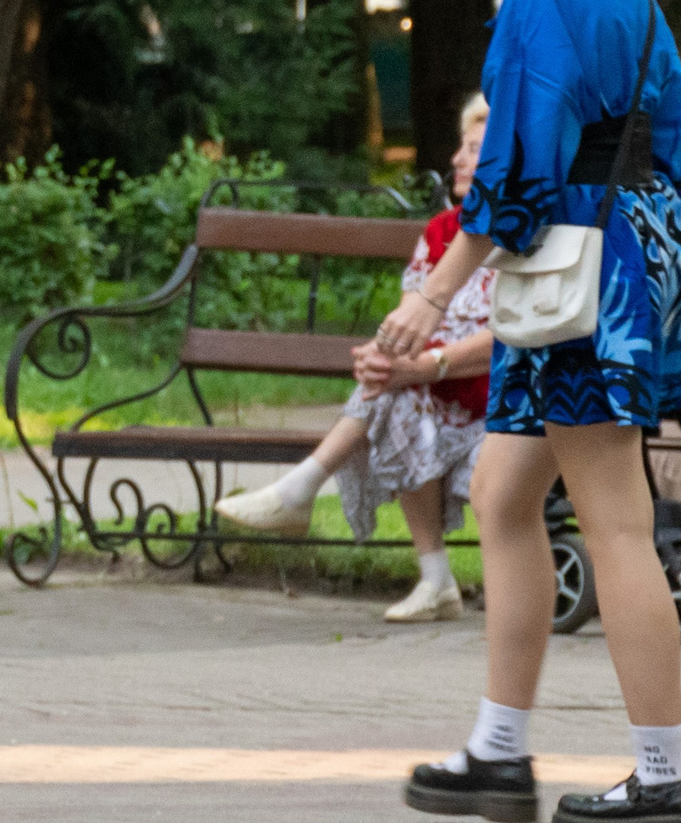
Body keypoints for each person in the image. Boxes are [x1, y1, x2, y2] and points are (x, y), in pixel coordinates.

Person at [379, 0, 681, 823]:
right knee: (502, 489)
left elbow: (516, 172)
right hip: (619, 264)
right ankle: (498, 751)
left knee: (614, 519)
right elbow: (665, 146)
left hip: (575, 281)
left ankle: (663, 779)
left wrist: (433, 293)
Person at [211, 97, 498, 624]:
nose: (457, 159)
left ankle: (302, 488)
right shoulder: (440, 231)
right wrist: (381, 356)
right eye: (461, 146)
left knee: (396, 388)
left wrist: (422, 366)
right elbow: (409, 317)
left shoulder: (523, 236)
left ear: (506, 159)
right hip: (436, 394)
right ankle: (433, 581)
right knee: (394, 391)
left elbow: (510, 340)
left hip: (501, 400)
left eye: (474, 149)